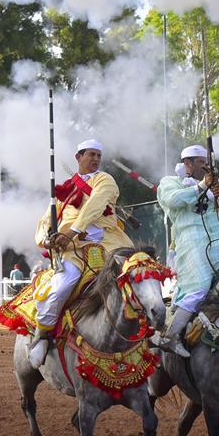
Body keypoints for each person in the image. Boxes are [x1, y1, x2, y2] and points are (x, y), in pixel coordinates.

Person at [29, 139, 134, 368]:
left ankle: (155, 332)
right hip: (74, 250)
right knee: (62, 285)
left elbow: (94, 206)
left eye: (98, 155)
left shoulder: (105, 180)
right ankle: (42, 333)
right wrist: (46, 240)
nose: (96, 159)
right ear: (79, 157)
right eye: (91, 155)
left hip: (109, 244)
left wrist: (72, 231)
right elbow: (46, 220)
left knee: (141, 277)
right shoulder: (64, 191)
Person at [157, 145, 219, 356]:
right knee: (198, 287)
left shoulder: (214, 183)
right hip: (191, 241)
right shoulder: (169, 182)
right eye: (202, 162)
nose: (207, 167)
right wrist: (201, 187)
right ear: (188, 164)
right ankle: (170, 337)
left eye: (208, 163)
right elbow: (173, 199)